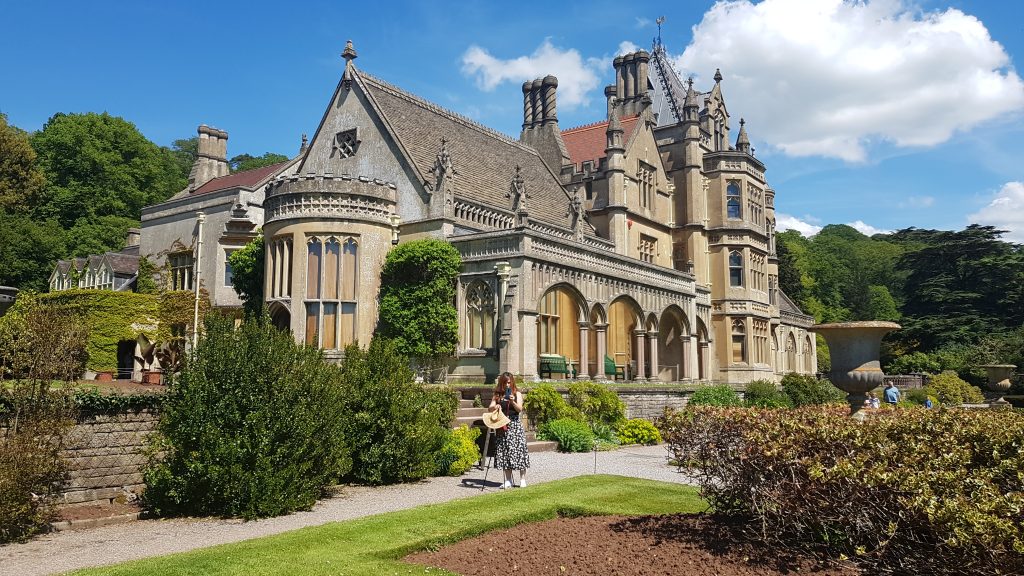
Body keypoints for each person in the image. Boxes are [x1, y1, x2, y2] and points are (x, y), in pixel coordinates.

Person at [489, 372, 530, 489]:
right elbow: (490, 407)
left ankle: (522, 479)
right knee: (504, 452)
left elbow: (519, 409)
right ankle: (508, 480)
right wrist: (495, 406)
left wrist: (512, 401)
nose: (508, 385)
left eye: (509, 382)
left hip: (515, 426)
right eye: (505, 382)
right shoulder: (497, 395)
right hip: (502, 426)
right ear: (501, 383)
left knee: (519, 451)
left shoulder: (517, 393)